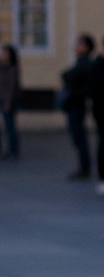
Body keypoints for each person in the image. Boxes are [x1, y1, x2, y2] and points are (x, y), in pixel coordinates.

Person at [62, 34, 101, 181]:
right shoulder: (82, 62)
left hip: (77, 104)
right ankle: (84, 167)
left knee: (79, 137)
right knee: (77, 137)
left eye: (81, 45)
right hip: (75, 103)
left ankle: (85, 168)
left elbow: (69, 76)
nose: (77, 47)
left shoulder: (86, 64)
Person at [0, 38, 22, 161]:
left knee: (10, 126)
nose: (3, 55)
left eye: (5, 53)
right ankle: (11, 149)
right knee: (7, 126)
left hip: (9, 100)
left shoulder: (13, 68)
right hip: (2, 99)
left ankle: (13, 150)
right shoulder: (1, 67)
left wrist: (8, 101)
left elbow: (11, 86)